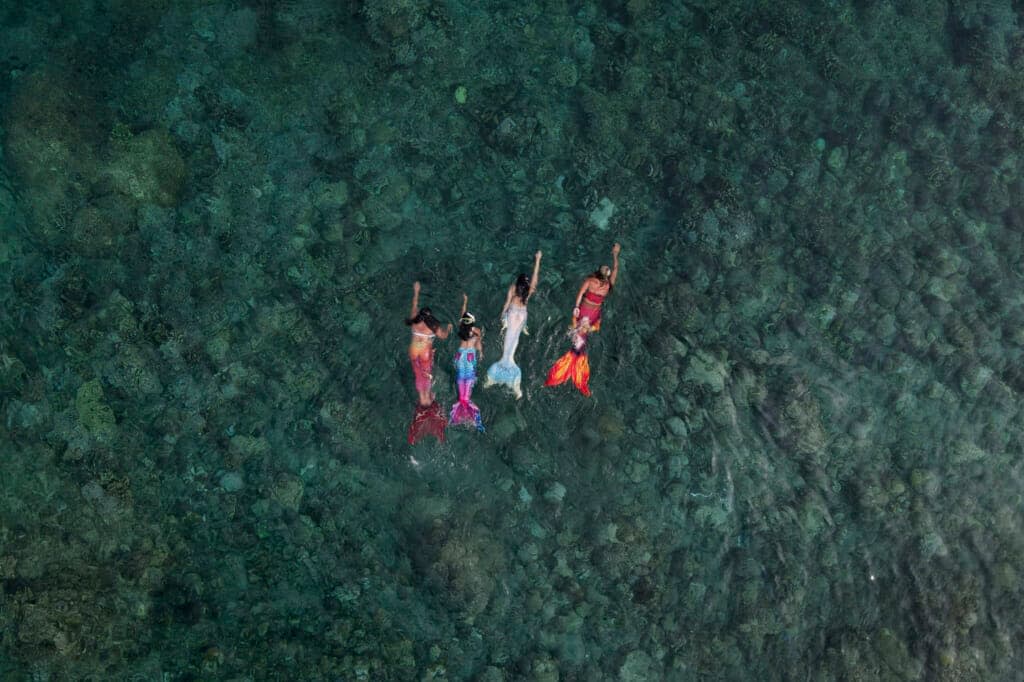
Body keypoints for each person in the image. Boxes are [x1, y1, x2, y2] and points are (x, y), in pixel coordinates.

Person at [546, 243, 621, 397]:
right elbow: (616, 269)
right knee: (582, 335)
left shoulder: (591, 280)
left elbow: (580, 294)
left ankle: (571, 364)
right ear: (605, 275)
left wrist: (576, 307)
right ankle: (576, 363)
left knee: (579, 335)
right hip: (594, 313)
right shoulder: (608, 285)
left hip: (585, 311)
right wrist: (615, 254)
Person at [484, 250, 542, 399]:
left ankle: (491, 380)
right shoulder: (528, 292)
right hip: (521, 315)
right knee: (515, 335)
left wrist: (502, 317)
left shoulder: (512, 288)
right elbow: (535, 279)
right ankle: (515, 387)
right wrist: (537, 260)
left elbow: (506, 304)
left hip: (511, 313)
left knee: (510, 334)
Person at [406, 281, 452, 444]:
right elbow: (444, 336)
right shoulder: (433, 326)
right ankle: (427, 410)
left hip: (413, 352)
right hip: (425, 353)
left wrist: (416, 291)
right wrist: (450, 328)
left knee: (420, 378)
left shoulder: (414, 319)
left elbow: (414, 304)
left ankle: (426, 404)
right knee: (426, 381)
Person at [449, 293, 485, 432]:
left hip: (460, 357)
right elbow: (479, 345)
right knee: (466, 395)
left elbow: (462, 314)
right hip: (469, 359)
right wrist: (481, 353)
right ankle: (472, 416)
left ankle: (460, 411)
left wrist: (465, 301)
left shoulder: (461, 328)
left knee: (462, 385)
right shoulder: (476, 332)